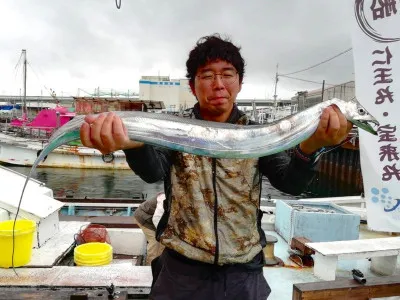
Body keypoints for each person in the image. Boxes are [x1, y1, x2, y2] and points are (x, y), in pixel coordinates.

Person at [80, 34, 352, 300]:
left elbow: (290, 183)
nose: (218, 84)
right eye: (207, 76)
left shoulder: (257, 133)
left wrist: (312, 145)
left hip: (243, 274)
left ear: (240, 82)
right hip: (182, 271)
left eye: (227, 74)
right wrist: (134, 145)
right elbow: (153, 171)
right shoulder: (174, 129)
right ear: (192, 85)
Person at [133, 192, 165, 265]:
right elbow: (156, 218)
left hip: (153, 218)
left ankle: (160, 262)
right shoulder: (164, 198)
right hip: (143, 218)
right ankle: (150, 265)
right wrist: (161, 233)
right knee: (155, 241)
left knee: (163, 243)